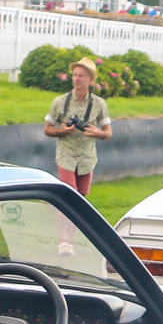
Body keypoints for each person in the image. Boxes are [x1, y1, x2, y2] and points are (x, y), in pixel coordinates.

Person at [43, 57, 112, 255]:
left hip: (87, 158)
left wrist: (96, 132)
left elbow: (108, 132)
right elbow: (47, 129)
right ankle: (62, 242)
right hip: (66, 155)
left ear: (90, 80)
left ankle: (69, 244)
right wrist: (62, 131)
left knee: (80, 200)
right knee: (69, 195)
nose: (76, 79)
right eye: (74, 75)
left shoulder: (99, 104)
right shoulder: (60, 102)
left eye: (81, 76)